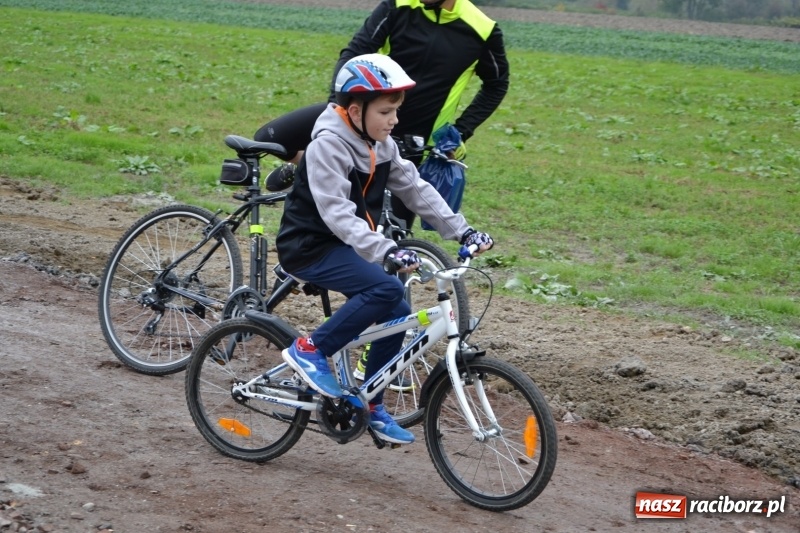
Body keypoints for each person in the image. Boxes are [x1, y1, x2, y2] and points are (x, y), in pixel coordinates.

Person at [276, 54, 494, 445]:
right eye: (386, 111)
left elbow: (416, 190)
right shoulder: (329, 145)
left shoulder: (379, 143)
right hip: (310, 246)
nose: (394, 120)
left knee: (396, 309)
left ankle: (372, 404)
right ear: (356, 110)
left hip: (347, 245)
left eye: (396, 111)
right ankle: (310, 349)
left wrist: (462, 231)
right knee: (387, 288)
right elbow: (338, 214)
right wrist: (385, 251)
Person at [256, 0, 509, 196]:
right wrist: (339, 106)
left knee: (393, 232)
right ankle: (308, 165)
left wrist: (460, 132)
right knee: (273, 137)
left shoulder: (482, 30)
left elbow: (496, 84)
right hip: (363, 119)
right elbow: (355, 50)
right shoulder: (397, 6)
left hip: (417, 140)